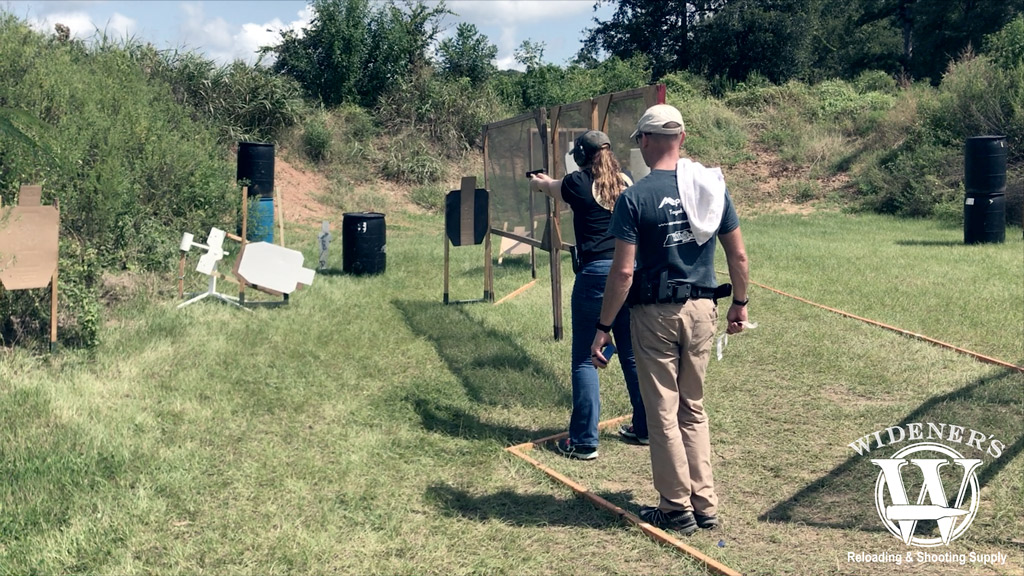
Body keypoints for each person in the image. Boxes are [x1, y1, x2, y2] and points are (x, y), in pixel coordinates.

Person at [590, 104, 750, 534]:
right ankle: (705, 504)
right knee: (692, 408)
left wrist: (603, 328)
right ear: (681, 138)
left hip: (654, 314)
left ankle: (675, 508)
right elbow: (737, 254)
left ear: (645, 141)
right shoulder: (711, 187)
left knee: (663, 410)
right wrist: (740, 303)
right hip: (703, 311)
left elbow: (623, 272)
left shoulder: (634, 197)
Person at [529, 130, 647, 461]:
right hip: (630, 273)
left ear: (581, 155)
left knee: (584, 357)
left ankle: (584, 441)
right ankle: (646, 427)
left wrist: (538, 182)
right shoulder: (627, 181)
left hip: (596, 275)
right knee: (630, 352)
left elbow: (551, 188)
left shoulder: (576, 183)